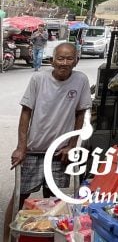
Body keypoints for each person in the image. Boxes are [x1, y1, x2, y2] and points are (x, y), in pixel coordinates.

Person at [11, 42, 93, 208]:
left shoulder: (81, 80)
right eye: (60, 58)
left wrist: (72, 145)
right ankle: (8, 235)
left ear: (76, 61)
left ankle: (49, 234)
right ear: (52, 60)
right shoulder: (38, 79)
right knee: (19, 198)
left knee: (53, 203)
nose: (64, 62)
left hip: (59, 153)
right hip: (33, 151)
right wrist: (21, 147)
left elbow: (80, 114)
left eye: (69, 58)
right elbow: (26, 113)